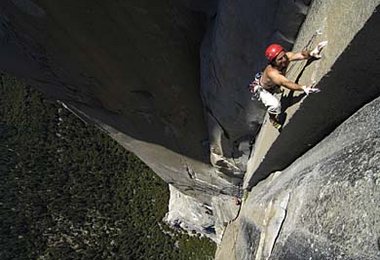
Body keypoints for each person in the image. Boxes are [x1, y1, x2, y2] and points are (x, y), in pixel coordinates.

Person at [249, 41, 328, 129]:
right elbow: (286, 83)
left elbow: (301, 55)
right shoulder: (272, 73)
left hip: (272, 83)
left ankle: (275, 88)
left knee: (280, 79)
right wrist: (303, 88)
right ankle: (272, 119)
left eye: (284, 56)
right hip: (262, 89)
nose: (284, 60)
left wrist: (311, 52)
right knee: (275, 105)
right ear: (273, 62)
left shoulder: (285, 57)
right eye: (280, 59)